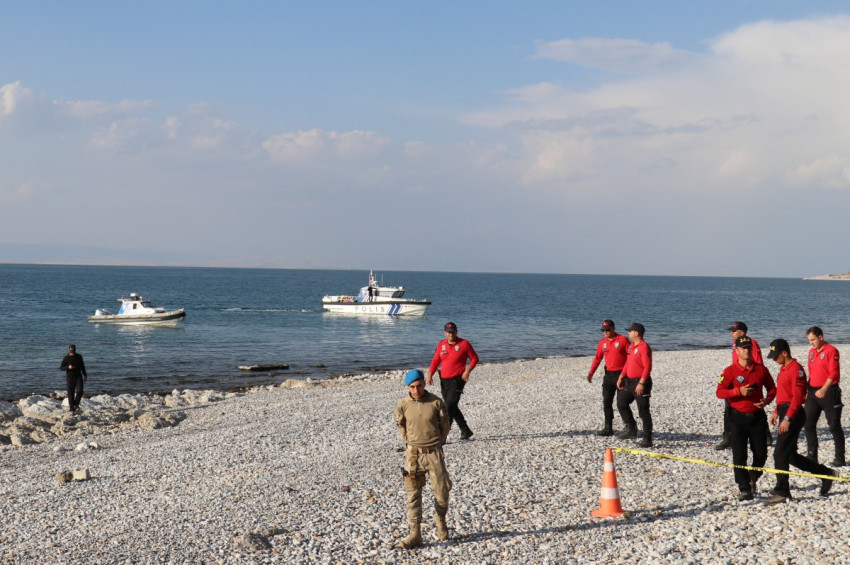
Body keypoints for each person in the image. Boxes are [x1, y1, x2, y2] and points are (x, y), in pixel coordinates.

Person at [765, 339, 837, 504]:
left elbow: (798, 398)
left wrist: (788, 418)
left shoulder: (796, 370)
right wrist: (776, 412)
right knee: (790, 456)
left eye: (776, 356)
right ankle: (825, 474)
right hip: (784, 410)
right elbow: (783, 393)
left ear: (785, 353)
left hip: (794, 413)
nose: (774, 360)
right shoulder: (783, 369)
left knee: (779, 454)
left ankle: (782, 491)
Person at [394, 369, 452, 549]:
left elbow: (445, 425)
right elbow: (400, 425)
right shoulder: (403, 405)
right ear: (407, 387)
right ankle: (415, 533)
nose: (416, 390)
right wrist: (410, 442)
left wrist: (436, 442)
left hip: (434, 453)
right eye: (412, 387)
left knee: (442, 493)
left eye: (419, 386)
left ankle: (440, 518)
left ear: (424, 384)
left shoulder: (436, 402)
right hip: (413, 455)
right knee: (413, 495)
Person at [716, 336, 776, 501]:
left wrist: (767, 400)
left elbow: (772, 388)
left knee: (761, 453)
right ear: (736, 351)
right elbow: (720, 392)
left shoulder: (761, 369)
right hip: (737, 418)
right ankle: (744, 488)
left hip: (757, 417)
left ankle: (752, 478)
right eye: (743, 348)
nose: (746, 350)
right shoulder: (729, 371)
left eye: (748, 347)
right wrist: (737, 392)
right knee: (739, 455)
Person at [715, 322, 764, 450]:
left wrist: (755, 381)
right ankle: (728, 437)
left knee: (756, 407)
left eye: (734, 331)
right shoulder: (734, 345)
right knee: (729, 408)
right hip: (735, 378)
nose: (731, 333)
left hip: (749, 379)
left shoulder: (751, 344)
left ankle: (766, 436)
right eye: (731, 331)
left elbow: (758, 363)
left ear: (742, 333)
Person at [427, 322, 479, 440]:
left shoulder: (464, 344)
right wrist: (430, 374)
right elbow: (435, 360)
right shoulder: (441, 344)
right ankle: (465, 430)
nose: (451, 334)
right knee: (452, 406)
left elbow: (475, 358)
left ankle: (442, 436)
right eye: (449, 332)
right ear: (445, 333)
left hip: (457, 379)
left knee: (448, 406)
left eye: (453, 331)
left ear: (457, 332)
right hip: (444, 379)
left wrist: (467, 371)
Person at [804, 326, 845, 467]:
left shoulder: (831, 350)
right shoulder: (811, 353)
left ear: (821, 337)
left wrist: (824, 389)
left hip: (829, 392)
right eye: (809, 340)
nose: (811, 343)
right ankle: (812, 456)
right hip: (813, 392)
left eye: (813, 339)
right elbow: (812, 372)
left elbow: (833, 373)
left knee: (834, 426)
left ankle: (840, 457)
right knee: (808, 423)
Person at [587, 319, 630, 436]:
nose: (605, 332)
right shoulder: (602, 342)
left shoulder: (622, 340)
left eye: (607, 330)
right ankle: (608, 427)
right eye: (603, 330)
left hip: (621, 374)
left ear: (613, 328)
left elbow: (630, 357)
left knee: (621, 402)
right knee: (606, 401)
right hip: (609, 375)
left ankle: (629, 426)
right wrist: (591, 373)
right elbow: (598, 358)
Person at [616, 322, 654, 447]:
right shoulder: (632, 346)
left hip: (641, 382)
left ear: (636, 333)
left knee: (643, 410)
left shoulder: (644, 347)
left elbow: (647, 366)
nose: (628, 333)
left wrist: (642, 383)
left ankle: (647, 438)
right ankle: (631, 428)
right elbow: (628, 363)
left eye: (630, 331)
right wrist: (621, 376)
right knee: (621, 403)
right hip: (629, 381)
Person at [59, 344, 88, 413]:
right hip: (70, 377)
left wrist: (85, 375)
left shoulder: (79, 357)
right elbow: (61, 368)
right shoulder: (66, 358)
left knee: (80, 391)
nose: (72, 351)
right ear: (69, 350)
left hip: (78, 376)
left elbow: (82, 366)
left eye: (73, 350)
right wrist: (68, 368)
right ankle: (72, 409)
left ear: (75, 349)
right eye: (71, 350)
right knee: (70, 393)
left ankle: (76, 404)